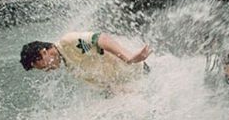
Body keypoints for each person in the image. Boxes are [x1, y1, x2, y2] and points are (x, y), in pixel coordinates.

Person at [20, 32, 151, 90]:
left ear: (44, 52)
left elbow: (100, 38)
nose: (48, 71)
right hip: (137, 82)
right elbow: (107, 85)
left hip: (140, 71)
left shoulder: (68, 42)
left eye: (44, 67)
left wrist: (128, 57)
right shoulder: (71, 67)